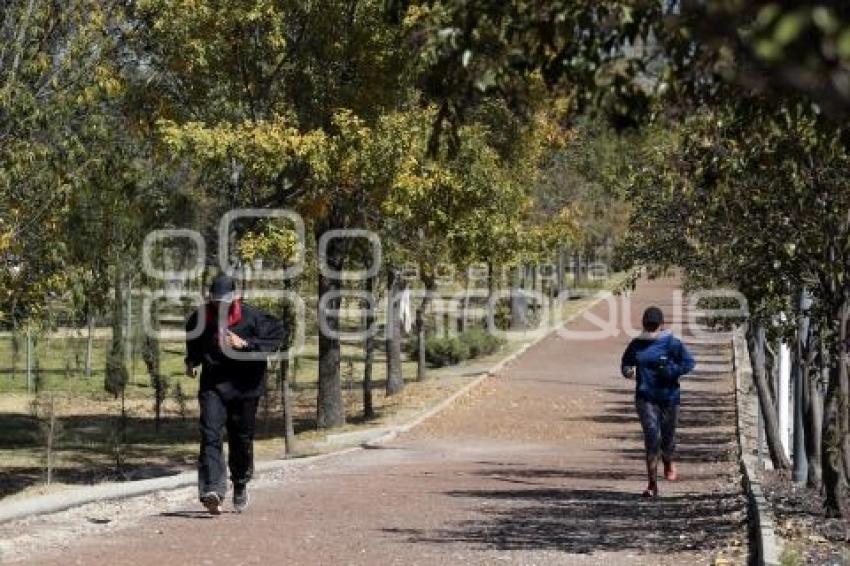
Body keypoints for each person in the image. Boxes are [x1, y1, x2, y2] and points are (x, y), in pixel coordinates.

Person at [185, 274, 286, 514]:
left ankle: (240, 482)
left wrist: (246, 345)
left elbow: (276, 339)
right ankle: (212, 490)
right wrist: (191, 361)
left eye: (225, 301)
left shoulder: (254, 317)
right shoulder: (201, 317)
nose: (220, 306)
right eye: (216, 301)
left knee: (241, 439)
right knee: (210, 433)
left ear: (236, 298)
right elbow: (193, 338)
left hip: (246, 387)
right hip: (214, 385)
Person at [621, 306, 695, 498]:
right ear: (644, 324)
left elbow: (689, 363)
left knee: (668, 439)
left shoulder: (672, 344)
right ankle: (652, 484)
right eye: (649, 325)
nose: (652, 328)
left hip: (669, 398)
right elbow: (626, 363)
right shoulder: (636, 344)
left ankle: (668, 460)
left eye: (654, 325)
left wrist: (671, 371)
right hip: (645, 397)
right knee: (652, 437)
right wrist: (628, 371)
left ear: (662, 325)